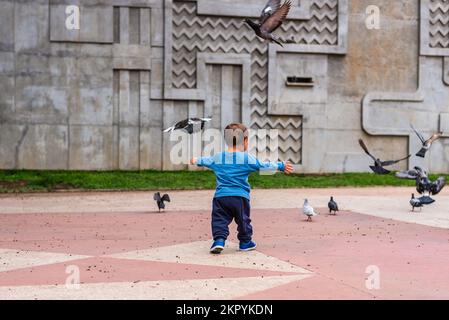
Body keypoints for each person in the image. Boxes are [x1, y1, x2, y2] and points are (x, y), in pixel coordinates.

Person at [190, 123, 294, 254]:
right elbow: (263, 166)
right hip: (240, 198)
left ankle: (219, 240)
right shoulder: (246, 158)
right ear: (245, 141)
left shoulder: (218, 157)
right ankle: (245, 242)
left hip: (221, 197)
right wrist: (281, 166)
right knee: (243, 220)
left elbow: (204, 160)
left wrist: (194, 160)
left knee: (219, 219)